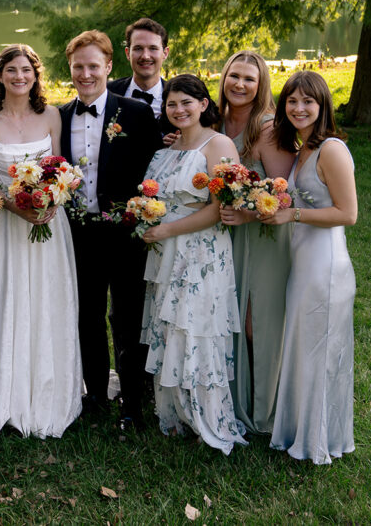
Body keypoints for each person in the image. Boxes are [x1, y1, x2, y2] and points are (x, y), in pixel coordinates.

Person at [0, 44, 83, 444]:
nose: (19, 76)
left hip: (50, 223)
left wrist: (51, 199)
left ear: (36, 75)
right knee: (9, 299)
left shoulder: (52, 116)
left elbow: (60, 168)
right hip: (7, 226)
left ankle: (50, 391)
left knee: (48, 300)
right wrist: (19, 208)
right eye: (11, 70)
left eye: (26, 69)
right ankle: (8, 397)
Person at [59, 31, 163, 433]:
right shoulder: (60, 117)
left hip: (125, 233)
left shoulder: (135, 113)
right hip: (79, 233)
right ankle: (96, 394)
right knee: (86, 314)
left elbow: (154, 172)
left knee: (127, 317)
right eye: (78, 66)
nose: (85, 74)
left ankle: (132, 403)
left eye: (93, 66)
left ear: (108, 66)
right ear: (70, 69)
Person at [139, 74, 247, 454]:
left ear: (203, 104)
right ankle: (175, 415)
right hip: (165, 252)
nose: (179, 109)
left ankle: (208, 418)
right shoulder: (165, 150)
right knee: (170, 328)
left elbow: (219, 210)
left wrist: (167, 229)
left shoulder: (218, 145)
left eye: (187, 102)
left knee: (196, 328)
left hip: (201, 252)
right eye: (172, 104)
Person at [262, 70, 357, 464]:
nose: (299, 108)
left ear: (322, 106)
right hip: (302, 262)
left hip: (325, 266)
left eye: (308, 101)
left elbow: (348, 213)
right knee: (304, 347)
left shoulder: (331, 149)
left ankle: (318, 441)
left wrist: (293, 214)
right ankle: (297, 430)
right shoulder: (302, 149)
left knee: (320, 350)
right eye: (292, 101)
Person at [215, 51, 295, 435]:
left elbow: (285, 193)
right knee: (228, 317)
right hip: (225, 236)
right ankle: (230, 399)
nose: (240, 84)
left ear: (261, 85)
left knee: (255, 323)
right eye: (235, 76)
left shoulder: (268, 128)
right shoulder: (215, 122)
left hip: (263, 236)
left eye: (249, 78)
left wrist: (249, 214)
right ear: (224, 78)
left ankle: (264, 408)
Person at [107, 18, 174, 134]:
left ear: (165, 53)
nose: (145, 56)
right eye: (138, 48)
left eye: (153, 48)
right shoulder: (107, 92)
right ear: (128, 53)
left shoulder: (177, 96)